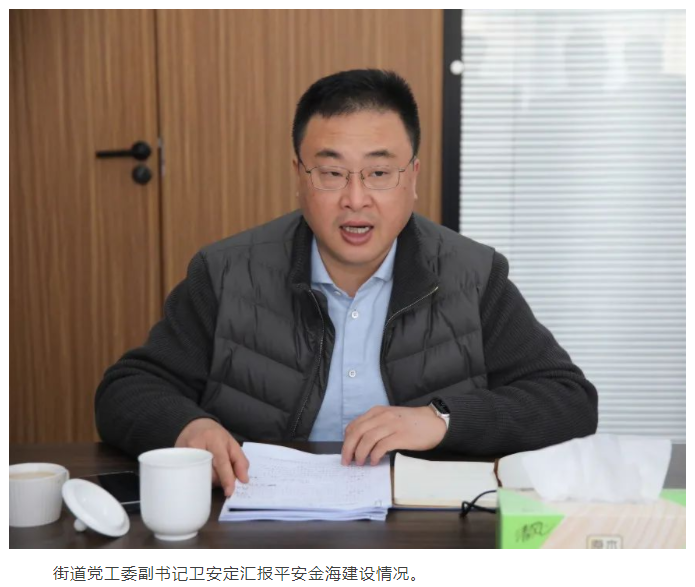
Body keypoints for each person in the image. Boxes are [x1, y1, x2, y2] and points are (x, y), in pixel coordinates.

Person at [95, 69, 598, 497]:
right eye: (332, 173)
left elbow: (569, 401)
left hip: (418, 531)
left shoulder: (474, 275)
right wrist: (188, 427)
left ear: (413, 176)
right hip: (257, 525)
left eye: (379, 172)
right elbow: (127, 389)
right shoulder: (225, 272)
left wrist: (442, 418)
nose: (355, 199)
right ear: (299, 175)